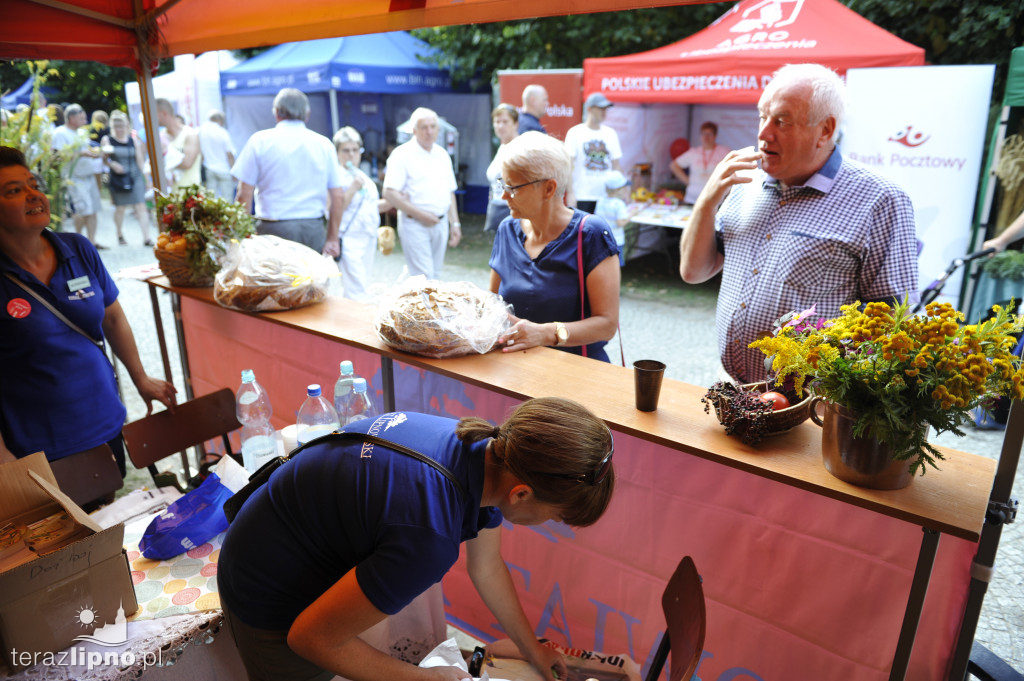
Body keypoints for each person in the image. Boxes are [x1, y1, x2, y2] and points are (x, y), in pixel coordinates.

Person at [219, 398, 614, 681]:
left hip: (287, 539)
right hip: (263, 586)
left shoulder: (482, 450)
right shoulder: (429, 533)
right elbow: (311, 639)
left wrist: (534, 651)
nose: (551, 522)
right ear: (522, 494)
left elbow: (488, 567)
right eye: (557, 516)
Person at [678, 63, 919, 384]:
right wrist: (708, 197)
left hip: (813, 406)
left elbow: (893, 323)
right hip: (733, 387)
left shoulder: (880, 199)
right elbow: (693, 272)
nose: (764, 133)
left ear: (825, 130)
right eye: (762, 116)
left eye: (781, 121)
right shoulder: (743, 183)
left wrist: (837, 402)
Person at [0, 146, 176, 476]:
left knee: (113, 511)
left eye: (33, 185)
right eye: (14, 191)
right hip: (39, 446)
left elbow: (112, 317)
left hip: (104, 422)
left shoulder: (77, 248)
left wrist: (141, 378)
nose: (32, 195)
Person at [489, 131, 621, 362]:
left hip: (574, 374)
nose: (503, 196)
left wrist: (545, 333)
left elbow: (607, 325)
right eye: (503, 184)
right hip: (514, 369)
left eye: (513, 187)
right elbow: (493, 303)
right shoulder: (507, 229)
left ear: (549, 189)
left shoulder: (590, 234)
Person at [231, 88, 343, 257]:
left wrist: (241, 234)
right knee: (313, 281)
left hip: (273, 229)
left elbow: (244, 194)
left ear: (276, 113)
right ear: (307, 114)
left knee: (276, 282)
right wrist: (333, 238)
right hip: (312, 228)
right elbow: (338, 196)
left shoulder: (260, 141)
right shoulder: (324, 144)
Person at [382, 107, 461, 279]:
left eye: (433, 126)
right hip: (415, 224)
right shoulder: (402, 155)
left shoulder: (442, 154)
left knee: (435, 275)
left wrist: (455, 223)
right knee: (424, 277)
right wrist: (421, 214)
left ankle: (409, 301)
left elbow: (450, 192)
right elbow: (388, 192)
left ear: (438, 129)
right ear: (414, 130)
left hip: (440, 223)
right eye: (424, 127)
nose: (429, 131)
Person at [333, 126, 389, 300]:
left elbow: (371, 206)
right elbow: (335, 209)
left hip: (368, 236)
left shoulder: (362, 176)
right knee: (356, 289)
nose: (351, 155)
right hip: (349, 238)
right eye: (346, 150)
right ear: (337, 152)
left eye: (355, 150)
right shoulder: (336, 176)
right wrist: (352, 188)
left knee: (361, 284)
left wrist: (395, 201)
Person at [52, 103, 105, 248]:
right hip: (74, 178)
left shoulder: (81, 133)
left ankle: (92, 242)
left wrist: (95, 153)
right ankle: (79, 241)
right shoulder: (60, 133)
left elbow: (87, 149)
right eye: (81, 118)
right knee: (81, 210)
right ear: (71, 118)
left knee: (93, 209)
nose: (85, 120)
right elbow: (58, 156)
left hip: (88, 175)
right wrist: (81, 154)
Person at [564, 93, 623, 214]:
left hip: (606, 196)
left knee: (603, 232)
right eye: (601, 108)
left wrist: (621, 190)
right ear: (589, 109)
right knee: (582, 231)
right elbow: (568, 166)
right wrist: (570, 193)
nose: (604, 112)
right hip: (582, 195)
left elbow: (616, 165)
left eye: (606, 109)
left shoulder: (610, 133)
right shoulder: (575, 132)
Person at [101, 111, 153, 246]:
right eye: (117, 126)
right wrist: (113, 164)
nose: (120, 129)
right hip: (118, 178)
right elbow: (104, 159)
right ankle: (119, 234)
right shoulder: (108, 140)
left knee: (141, 205)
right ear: (113, 127)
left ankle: (147, 237)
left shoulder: (133, 141)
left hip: (134, 176)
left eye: (122, 126)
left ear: (127, 126)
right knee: (121, 208)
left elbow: (140, 161)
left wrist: (146, 179)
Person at [670, 121, 731, 205]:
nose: (706, 137)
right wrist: (687, 181)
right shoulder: (694, 152)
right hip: (692, 199)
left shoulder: (724, 152)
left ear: (715, 136)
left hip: (714, 201)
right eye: (704, 134)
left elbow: (734, 171)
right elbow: (674, 165)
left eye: (709, 134)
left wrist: (727, 189)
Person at [485, 103, 519, 234]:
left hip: (513, 213)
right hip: (498, 209)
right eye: (497, 122)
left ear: (515, 124)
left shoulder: (520, 147)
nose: (500, 126)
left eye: (505, 122)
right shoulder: (503, 147)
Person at [155, 98, 202, 191]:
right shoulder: (161, 136)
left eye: (153, 113)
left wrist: (164, 159)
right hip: (170, 196)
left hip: (191, 196)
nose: (150, 117)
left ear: (164, 113)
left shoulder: (190, 134)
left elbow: (187, 163)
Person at [594, 170, 637, 267]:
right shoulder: (619, 204)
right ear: (619, 189)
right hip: (616, 240)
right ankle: (614, 282)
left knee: (604, 264)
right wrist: (632, 214)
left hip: (602, 239)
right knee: (616, 266)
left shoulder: (600, 201)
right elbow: (620, 223)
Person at [198, 110, 237, 201]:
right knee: (227, 199)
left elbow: (200, 152)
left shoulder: (201, 130)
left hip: (208, 168)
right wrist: (234, 171)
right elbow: (229, 154)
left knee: (211, 199)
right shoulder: (222, 132)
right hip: (224, 169)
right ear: (219, 120)